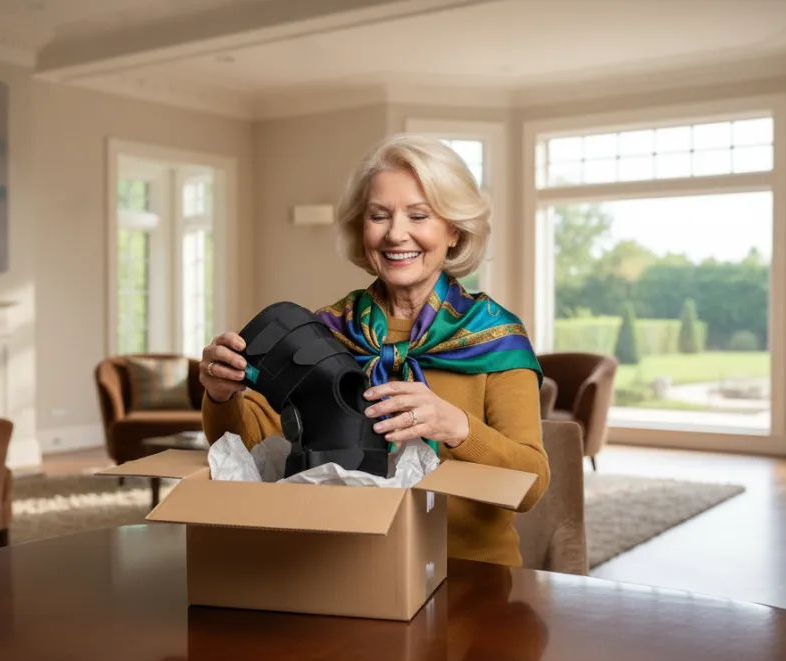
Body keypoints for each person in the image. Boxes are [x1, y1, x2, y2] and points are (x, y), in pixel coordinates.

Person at [198, 133, 550, 568]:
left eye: (419, 215)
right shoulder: (325, 330)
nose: (396, 234)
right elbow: (254, 445)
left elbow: (531, 487)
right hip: (345, 566)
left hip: (469, 573)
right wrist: (221, 394)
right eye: (378, 216)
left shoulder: (493, 337)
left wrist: (455, 425)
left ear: (454, 230)